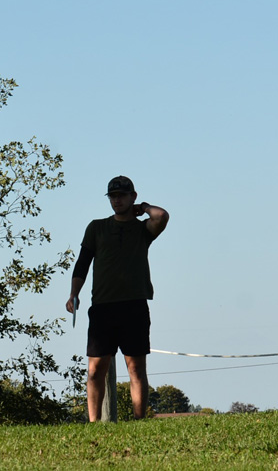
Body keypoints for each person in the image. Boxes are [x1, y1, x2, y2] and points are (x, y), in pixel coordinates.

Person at [65, 176, 169, 421]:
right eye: (113, 196)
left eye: (122, 195)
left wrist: (143, 208)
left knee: (135, 368)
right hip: (102, 307)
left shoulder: (143, 229)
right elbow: (82, 263)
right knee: (95, 370)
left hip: (134, 305)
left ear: (132, 196)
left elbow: (161, 216)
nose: (117, 200)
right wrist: (73, 294)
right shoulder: (96, 227)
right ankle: (94, 423)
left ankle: (139, 420)